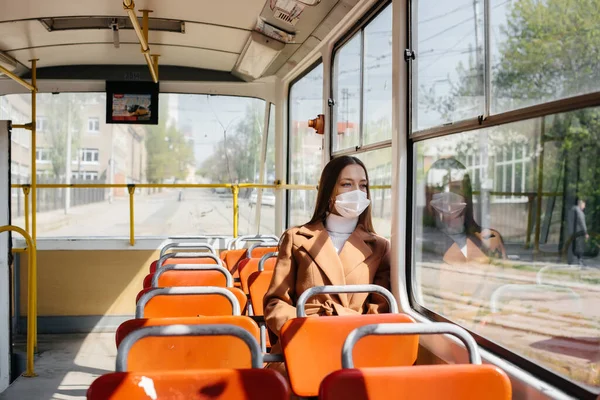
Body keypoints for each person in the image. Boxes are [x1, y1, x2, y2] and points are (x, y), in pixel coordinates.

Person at [263, 155, 391, 380]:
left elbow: (380, 309)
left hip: (353, 347)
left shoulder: (379, 247)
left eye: (363, 185)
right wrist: (307, 329)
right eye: (346, 184)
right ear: (329, 191)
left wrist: (343, 325)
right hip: (302, 344)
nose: (357, 192)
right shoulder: (296, 238)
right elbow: (276, 303)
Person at [568, 199, 588, 266]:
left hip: (571, 231)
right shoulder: (579, 212)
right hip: (579, 231)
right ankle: (580, 261)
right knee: (580, 246)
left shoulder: (572, 210)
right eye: (584, 205)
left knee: (572, 245)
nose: (584, 207)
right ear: (580, 204)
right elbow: (582, 222)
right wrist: (585, 232)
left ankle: (570, 261)